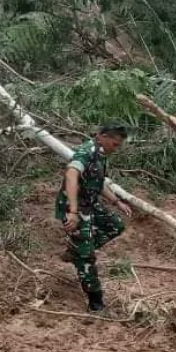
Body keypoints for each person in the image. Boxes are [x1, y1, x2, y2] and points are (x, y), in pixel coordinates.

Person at [56, 125, 132, 313]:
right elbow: (72, 174)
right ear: (101, 137)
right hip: (74, 207)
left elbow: (98, 183)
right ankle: (96, 304)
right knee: (87, 258)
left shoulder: (100, 155)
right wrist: (73, 211)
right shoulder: (86, 152)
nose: (116, 148)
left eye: (118, 145)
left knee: (116, 226)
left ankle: (76, 252)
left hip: (89, 204)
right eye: (114, 144)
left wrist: (117, 202)